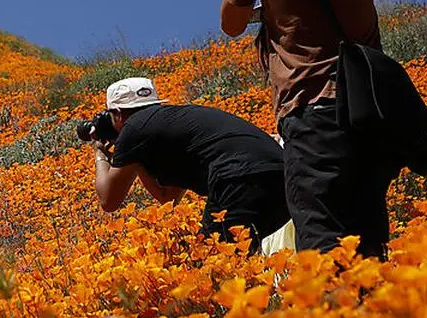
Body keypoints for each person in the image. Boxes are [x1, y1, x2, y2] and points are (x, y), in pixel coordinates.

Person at [219, 0, 392, 258]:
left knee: (322, 241)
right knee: (367, 241)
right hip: (372, 114)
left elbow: (232, 23)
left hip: (314, 112)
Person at [90, 77, 291, 249]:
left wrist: (99, 151)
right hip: (283, 177)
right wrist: (137, 159)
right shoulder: (176, 122)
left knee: (213, 263)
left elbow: (109, 201)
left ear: (116, 113)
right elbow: (166, 197)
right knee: (240, 259)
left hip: (238, 177)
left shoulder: (133, 127)